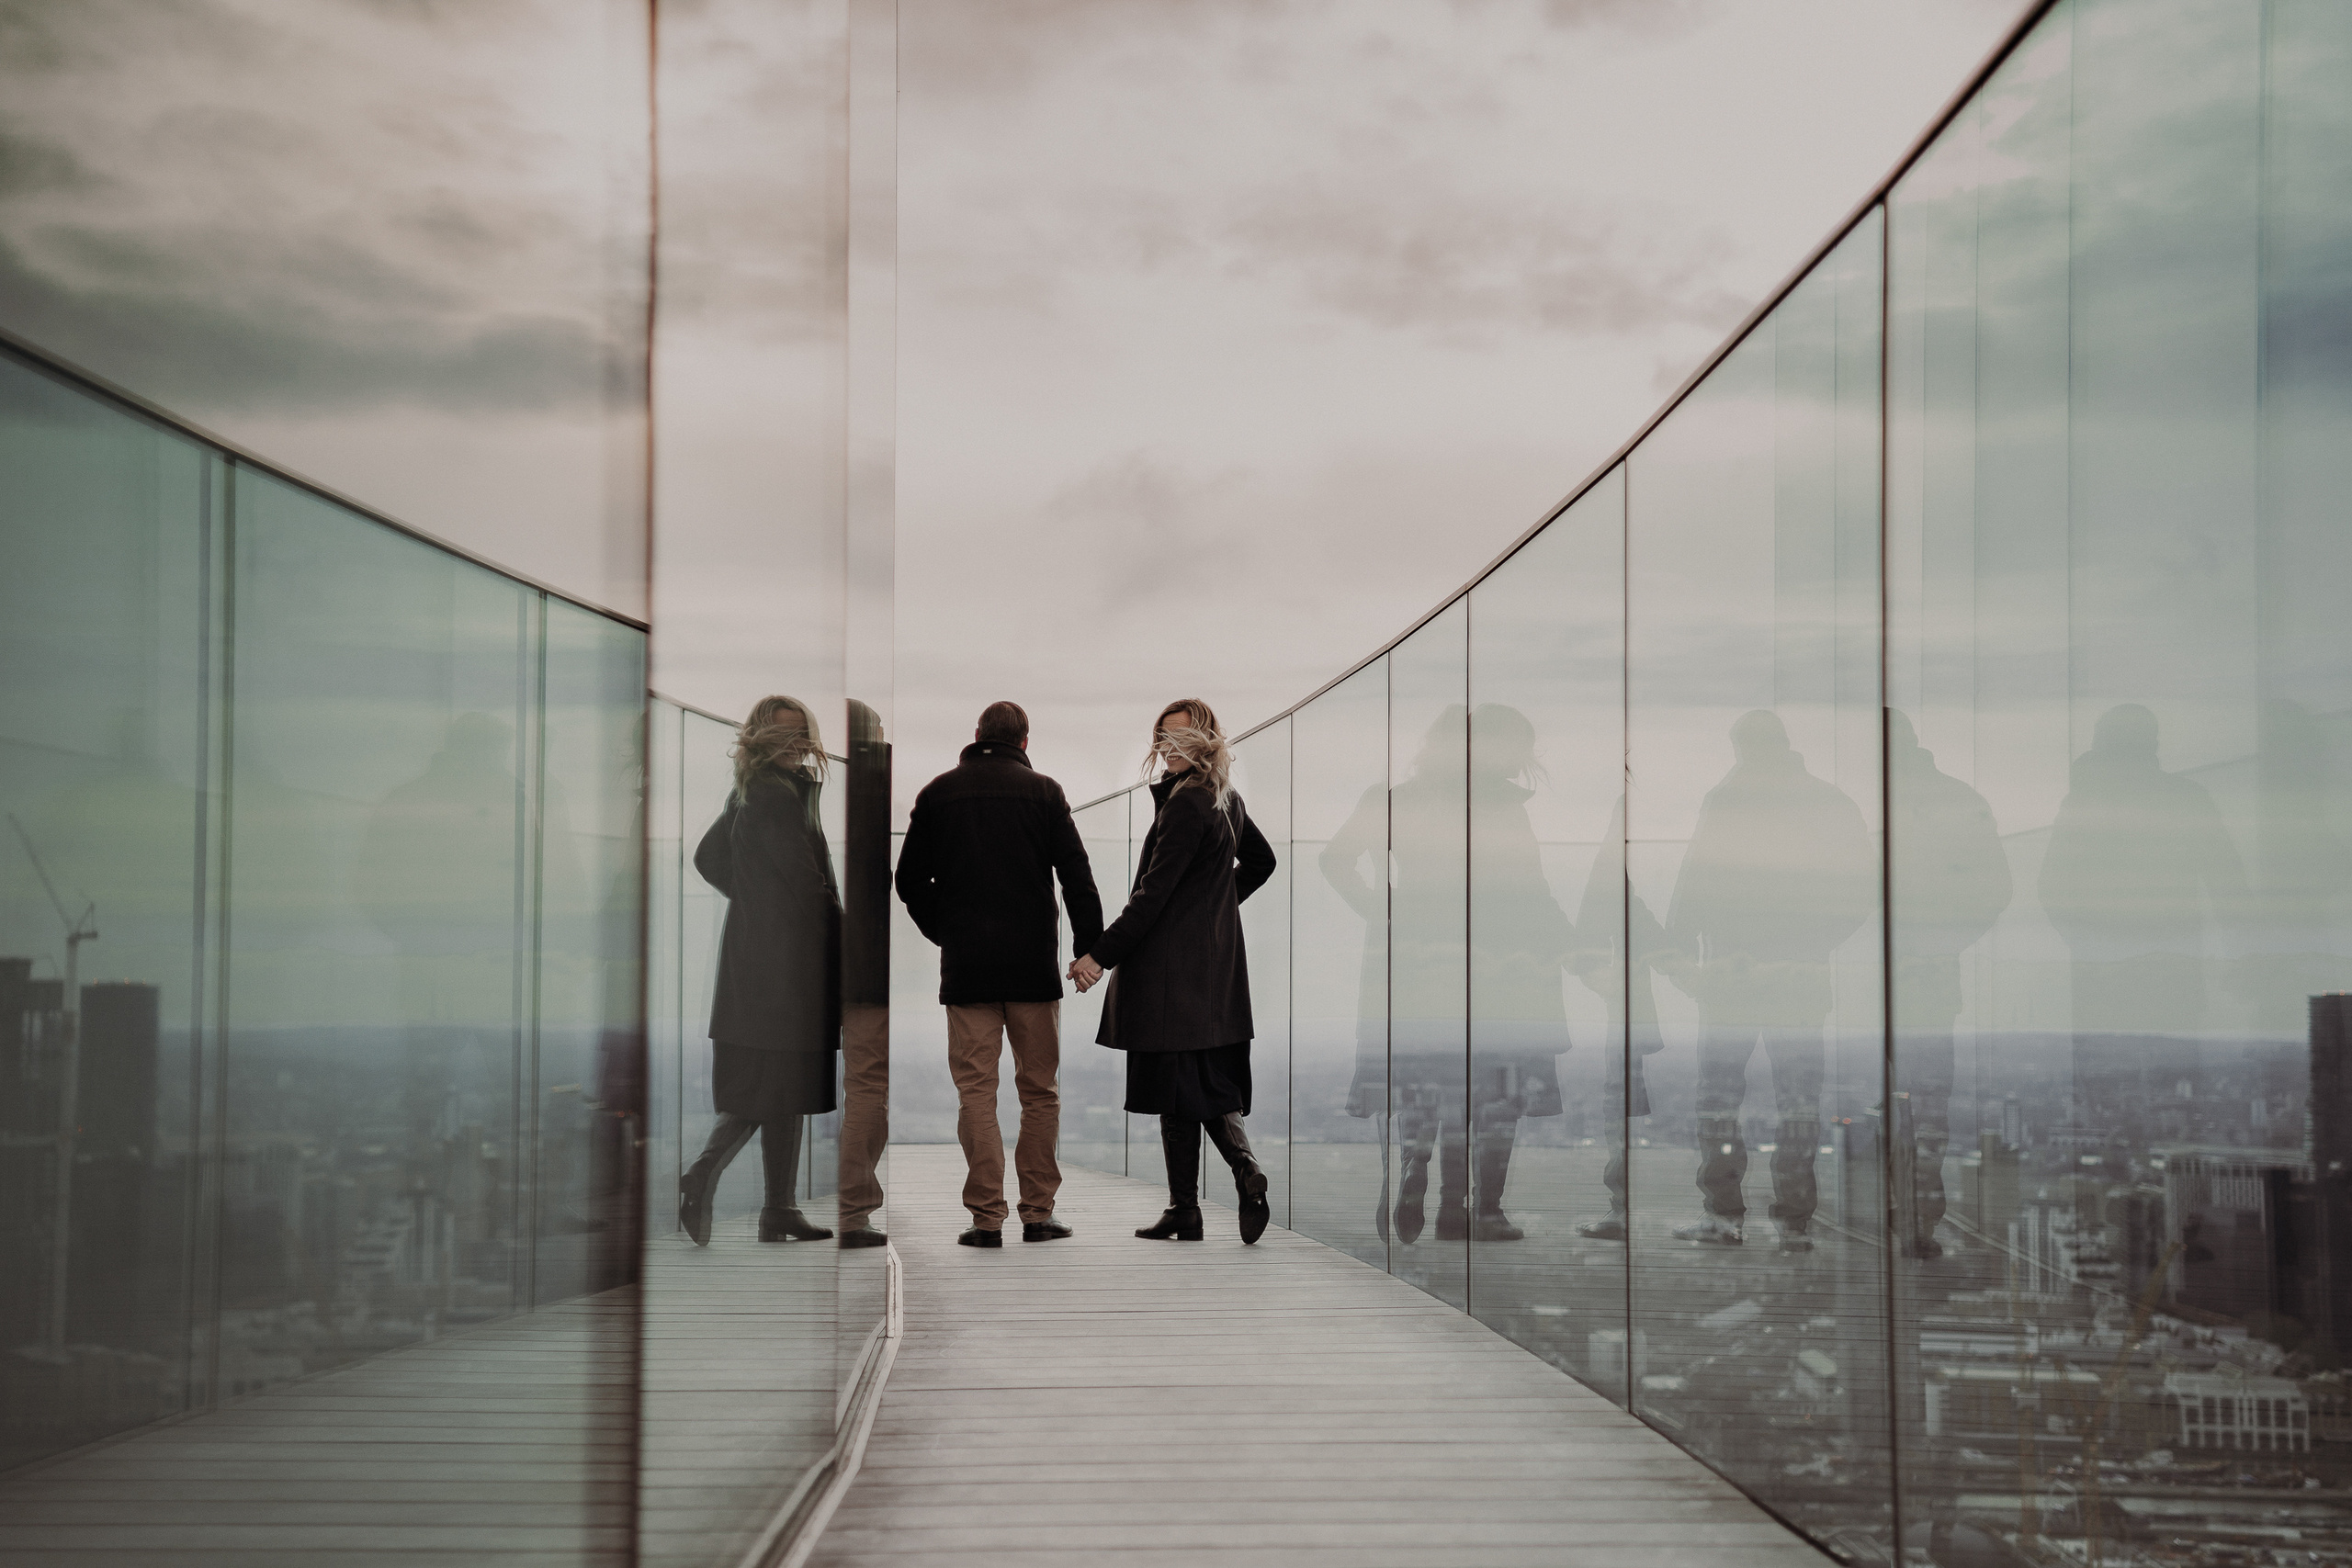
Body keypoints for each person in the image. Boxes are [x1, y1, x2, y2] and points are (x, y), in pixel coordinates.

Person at [1660, 709, 1872, 1253]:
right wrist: (1814, 942)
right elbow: (1859, 889)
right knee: (1799, 1100)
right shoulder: (1828, 802)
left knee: (1720, 1098)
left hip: (1732, 975)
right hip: (1799, 978)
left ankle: (1724, 1216)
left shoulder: (1728, 800)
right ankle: (1795, 1221)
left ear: (1740, 749)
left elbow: (1695, 878)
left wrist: (1680, 950)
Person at [1070, 699, 1278, 1244]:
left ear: (1206, 741)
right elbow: (1262, 861)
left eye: (1181, 739)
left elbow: (1151, 897)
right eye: (1164, 738)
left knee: (1181, 1083)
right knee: (1192, 1083)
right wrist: (1214, 907)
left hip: (1172, 974)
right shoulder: (1222, 798)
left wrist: (1098, 956)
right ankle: (1192, 1203)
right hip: (1212, 971)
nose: (1168, 749)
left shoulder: (1188, 805)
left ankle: (1223, 1181)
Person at [896, 701, 1102, 1247]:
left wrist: (948, 932)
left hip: (968, 973)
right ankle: (1037, 1215)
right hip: (1033, 969)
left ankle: (986, 1221)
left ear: (978, 734)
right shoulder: (1045, 793)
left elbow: (909, 879)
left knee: (976, 1094)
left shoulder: (938, 793)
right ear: (1025, 743)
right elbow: (1078, 878)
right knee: (1039, 1094)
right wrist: (1090, 951)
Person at [679, 695, 840, 1247]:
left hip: (759, 963)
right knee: (771, 1086)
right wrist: (845, 934)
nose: (798, 744)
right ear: (765, 741)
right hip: (784, 969)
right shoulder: (774, 796)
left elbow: (708, 858)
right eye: (786, 736)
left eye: (802, 733)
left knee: (779, 1084)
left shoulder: (752, 790)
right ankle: (704, 1173)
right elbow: (804, 880)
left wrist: (752, 902)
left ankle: (779, 1211)